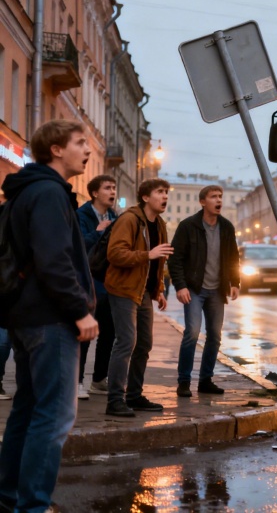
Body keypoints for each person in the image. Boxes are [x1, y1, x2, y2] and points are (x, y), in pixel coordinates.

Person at [0, 119, 99, 512]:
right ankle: (33, 506)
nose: (87, 150)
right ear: (57, 149)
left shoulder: (27, 190)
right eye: (79, 143)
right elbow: (53, 260)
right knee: (55, 416)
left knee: (27, 410)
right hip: (50, 318)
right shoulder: (48, 193)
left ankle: (9, 498)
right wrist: (80, 311)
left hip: (26, 316)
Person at [104, 178, 173, 417]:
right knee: (126, 342)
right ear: (145, 197)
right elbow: (115, 254)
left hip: (144, 292)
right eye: (159, 192)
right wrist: (147, 254)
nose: (165, 196)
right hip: (123, 288)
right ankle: (114, 400)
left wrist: (160, 289)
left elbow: (159, 262)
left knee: (144, 344)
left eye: (166, 192)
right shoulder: (129, 219)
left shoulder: (160, 224)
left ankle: (134, 395)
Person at [168, 185, 240, 398]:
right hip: (194, 289)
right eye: (213, 197)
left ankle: (206, 380)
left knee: (215, 336)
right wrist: (180, 286)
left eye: (220, 197)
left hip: (217, 290)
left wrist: (235, 282)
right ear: (202, 202)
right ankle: (184, 382)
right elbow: (175, 259)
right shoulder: (188, 226)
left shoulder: (226, 227)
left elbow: (233, 257)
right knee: (192, 333)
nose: (219, 200)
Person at [76, 174, 118, 399]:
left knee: (108, 332)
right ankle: (77, 381)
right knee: (85, 333)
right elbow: (78, 245)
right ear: (94, 193)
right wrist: (98, 231)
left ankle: (99, 379)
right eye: (107, 188)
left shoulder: (113, 215)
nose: (112, 192)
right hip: (86, 279)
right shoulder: (81, 215)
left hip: (107, 280)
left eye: (114, 188)